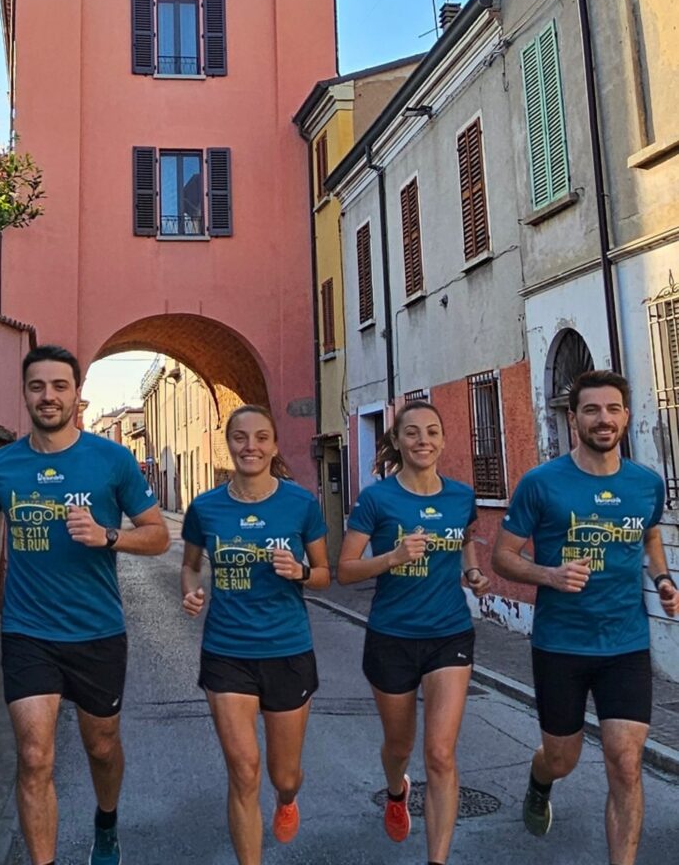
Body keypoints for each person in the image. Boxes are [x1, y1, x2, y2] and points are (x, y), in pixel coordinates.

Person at [0, 345, 170, 865]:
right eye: (37, 386)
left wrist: (109, 536)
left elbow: (158, 535)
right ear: (25, 393)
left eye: (59, 386)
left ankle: (106, 822)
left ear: (77, 394)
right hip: (27, 631)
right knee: (34, 756)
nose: (48, 396)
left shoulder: (112, 460)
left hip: (97, 630)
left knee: (101, 746)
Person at [492, 369, 679, 865]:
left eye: (613, 409)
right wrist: (550, 575)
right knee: (562, 758)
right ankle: (540, 781)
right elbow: (502, 557)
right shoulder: (541, 484)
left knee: (626, 761)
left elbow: (649, 534)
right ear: (573, 418)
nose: (603, 419)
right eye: (591, 410)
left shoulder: (646, 483)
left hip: (625, 644)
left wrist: (663, 579)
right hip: (561, 645)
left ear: (626, 416)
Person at [337, 400, 490, 865]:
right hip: (392, 636)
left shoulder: (460, 496)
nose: (424, 440)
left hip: (449, 633)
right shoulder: (377, 500)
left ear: (443, 440)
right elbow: (345, 570)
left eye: (432, 431)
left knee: (440, 753)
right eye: (413, 432)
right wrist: (393, 557)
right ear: (398, 441)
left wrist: (472, 571)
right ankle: (395, 790)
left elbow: (465, 538)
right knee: (399, 746)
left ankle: (436, 859)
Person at [181, 404, 329, 865]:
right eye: (240, 437)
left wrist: (301, 572)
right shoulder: (205, 508)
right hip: (226, 652)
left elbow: (325, 574)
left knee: (285, 775)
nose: (251, 446)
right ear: (228, 444)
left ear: (274, 445)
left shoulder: (300, 504)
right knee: (244, 772)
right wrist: (191, 592)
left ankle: (287, 799)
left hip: (288, 650)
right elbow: (189, 566)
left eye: (261, 437)